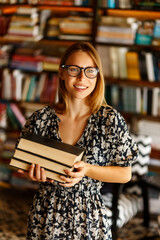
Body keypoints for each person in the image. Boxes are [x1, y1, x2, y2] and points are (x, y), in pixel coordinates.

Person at [17, 42, 138, 240]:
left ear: (97, 76)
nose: (82, 78)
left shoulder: (110, 120)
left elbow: (125, 174)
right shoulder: (40, 119)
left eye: (90, 71)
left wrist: (87, 169)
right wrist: (33, 175)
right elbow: (24, 166)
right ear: (62, 72)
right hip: (45, 213)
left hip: (89, 217)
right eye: (74, 70)